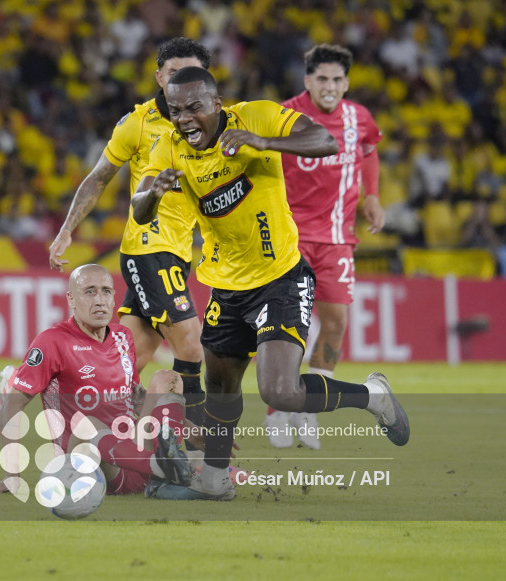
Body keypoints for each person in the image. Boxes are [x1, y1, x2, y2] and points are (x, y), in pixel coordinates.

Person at [131, 67, 410, 501]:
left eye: (193, 107)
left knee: (280, 389)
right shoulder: (169, 146)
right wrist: (154, 193)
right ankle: (215, 479)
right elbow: (139, 209)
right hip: (225, 287)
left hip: (280, 277)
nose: (184, 118)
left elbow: (325, 141)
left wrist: (264, 143)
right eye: (174, 110)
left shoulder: (257, 117)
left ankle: (372, 397)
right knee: (221, 389)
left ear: (217, 103)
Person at [48, 38, 210, 451]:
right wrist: (69, 228)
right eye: (174, 73)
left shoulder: (211, 123)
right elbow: (100, 176)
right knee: (190, 341)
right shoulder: (137, 123)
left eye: (190, 74)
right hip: (147, 246)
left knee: (130, 358)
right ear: (159, 77)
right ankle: (190, 439)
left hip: (178, 249)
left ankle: (73, 416)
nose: (181, 82)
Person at [265, 44, 386, 451]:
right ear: (308, 81)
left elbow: (369, 151)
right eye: (322, 79)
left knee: (335, 322)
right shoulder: (286, 116)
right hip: (290, 238)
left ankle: (309, 408)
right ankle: (278, 409)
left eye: (337, 80)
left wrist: (372, 196)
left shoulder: (359, 118)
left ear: (346, 83)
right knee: (287, 326)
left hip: (336, 239)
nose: (330, 87)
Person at [0, 264, 192, 496]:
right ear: (71, 299)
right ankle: (165, 469)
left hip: (134, 451)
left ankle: (167, 467)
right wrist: (12, 476)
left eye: (106, 291)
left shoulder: (123, 337)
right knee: (87, 425)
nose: (100, 300)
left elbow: (136, 398)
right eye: (90, 291)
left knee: (167, 378)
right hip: (91, 464)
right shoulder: (52, 342)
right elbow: (13, 403)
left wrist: (191, 429)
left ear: (114, 298)